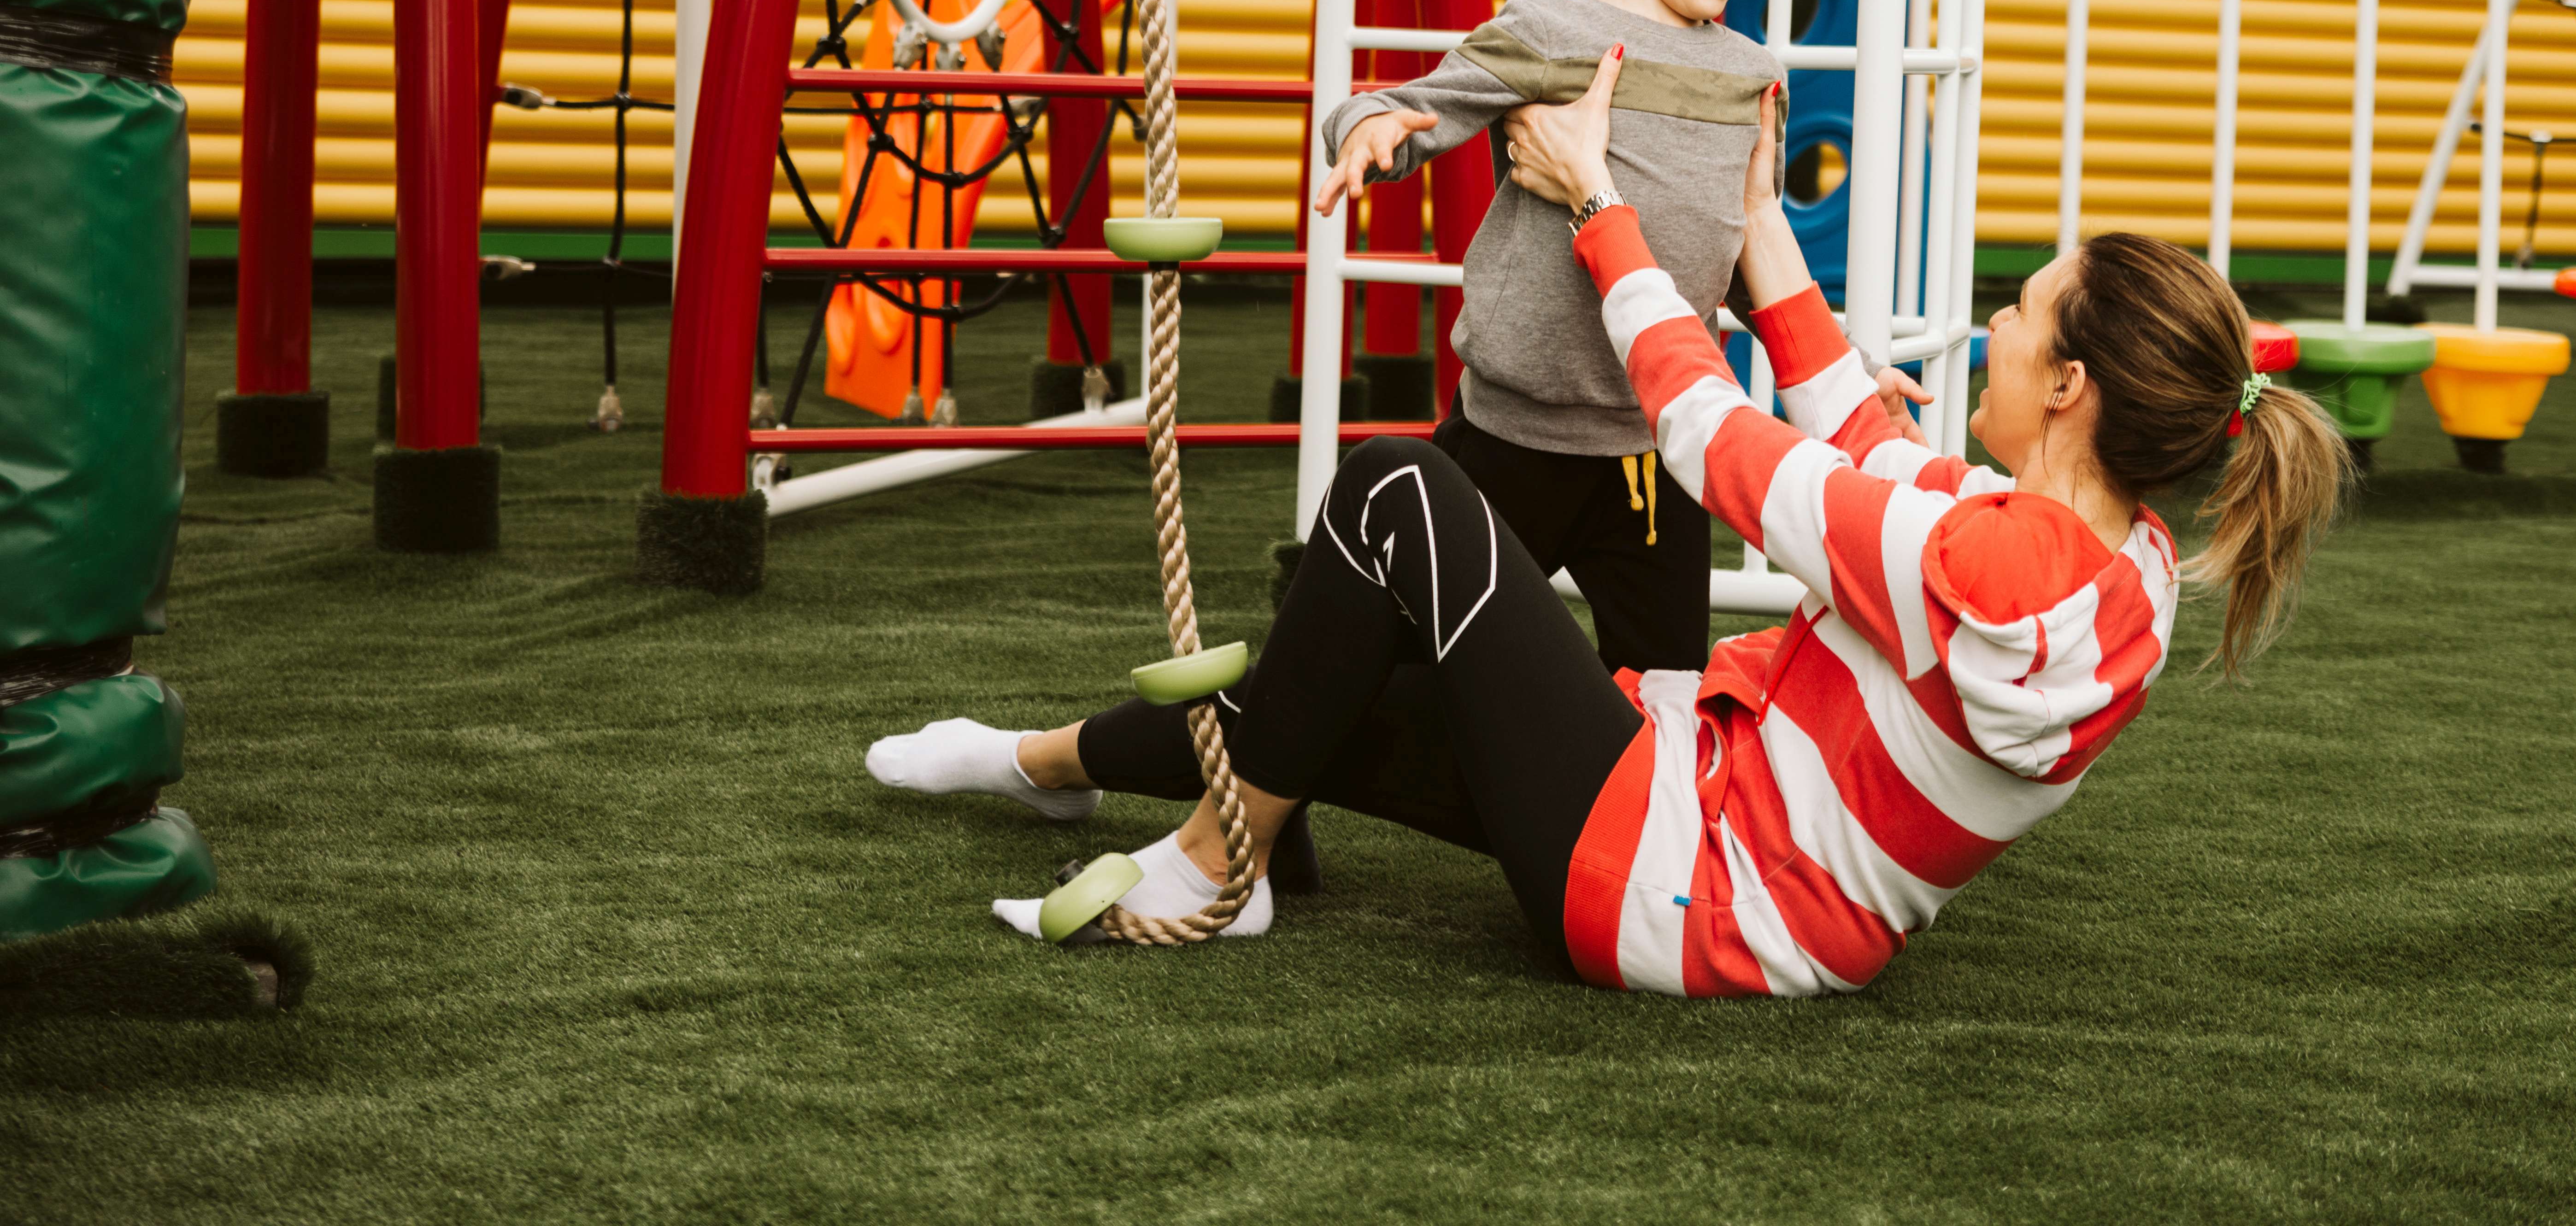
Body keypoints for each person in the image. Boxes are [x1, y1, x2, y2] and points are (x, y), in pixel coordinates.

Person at [867, 58, 2347, 993]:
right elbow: (1868, 439)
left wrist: (1598, 208)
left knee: (1402, 489)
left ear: (2073, 389)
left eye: (2022, 319)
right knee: (1348, 695)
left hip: (1680, 887)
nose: (1992, 327)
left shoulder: (1988, 567)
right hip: (1714, 840)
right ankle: (1040, 766)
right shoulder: (2114, 570)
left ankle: (1212, 874)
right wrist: (1759, 213)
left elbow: (1713, 437)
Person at [1304, 0, 1871, 675]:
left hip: (1658, 451)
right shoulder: (1546, 34)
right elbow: (1406, 104)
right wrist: (1371, 130)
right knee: (1381, 662)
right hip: (1507, 441)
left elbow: (1738, 247)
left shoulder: (1749, 73)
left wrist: (1845, 369)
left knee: (1670, 692)